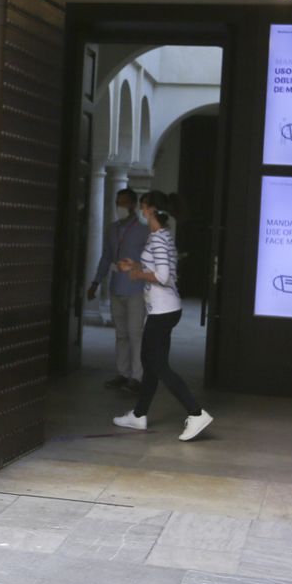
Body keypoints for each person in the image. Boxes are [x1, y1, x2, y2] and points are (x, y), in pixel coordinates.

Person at [113, 190, 215, 441]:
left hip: (162, 310)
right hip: (166, 309)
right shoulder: (163, 236)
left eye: (143, 206)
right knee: (151, 363)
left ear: (150, 210)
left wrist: (137, 275)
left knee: (157, 365)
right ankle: (138, 415)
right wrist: (135, 266)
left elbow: (163, 276)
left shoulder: (158, 238)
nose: (140, 209)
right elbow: (160, 268)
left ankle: (196, 413)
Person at [87, 188, 149, 392]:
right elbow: (106, 256)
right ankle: (122, 373)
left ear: (132, 205)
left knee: (135, 333)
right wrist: (96, 282)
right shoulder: (112, 229)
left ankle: (137, 377)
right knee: (121, 334)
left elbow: (149, 262)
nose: (119, 207)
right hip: (116, 287)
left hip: (137, 288)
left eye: (123, 203)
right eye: (117, 203)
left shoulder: (143, 230)